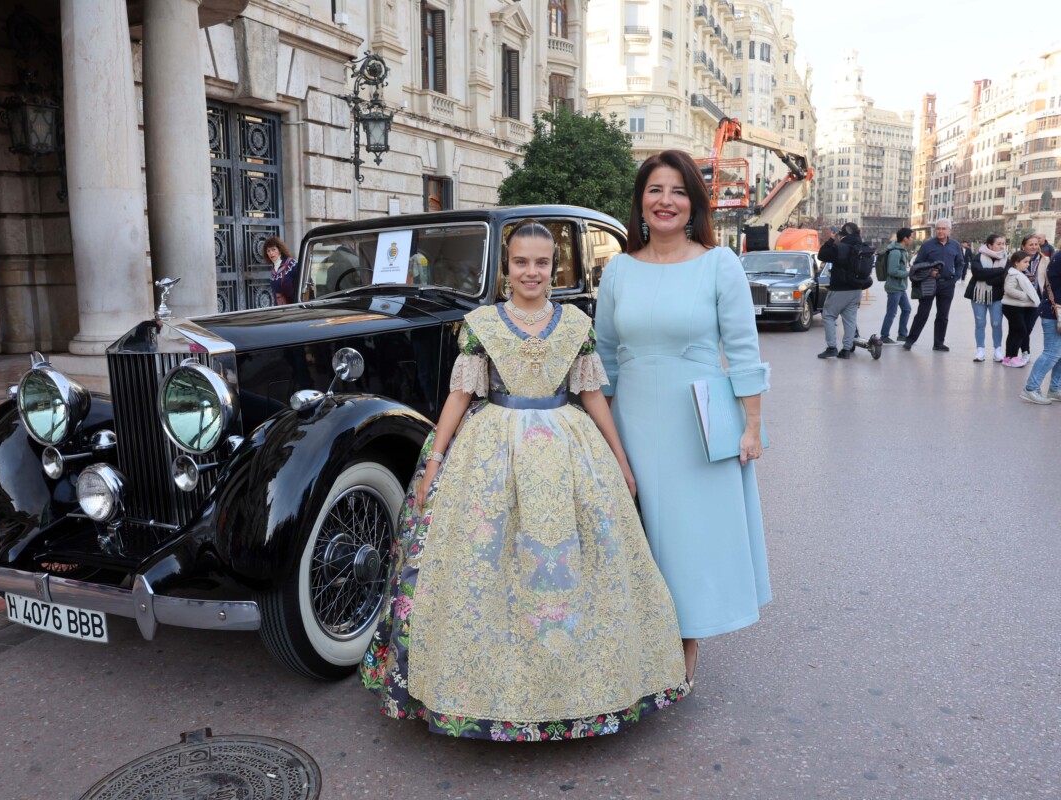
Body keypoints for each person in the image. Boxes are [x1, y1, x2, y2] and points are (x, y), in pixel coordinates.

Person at [361, 220, 689, 740]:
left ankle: (584, 691)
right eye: (521, 263)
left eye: (541, 263)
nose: (531, 272)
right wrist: (435, 462)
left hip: (569, 449)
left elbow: (593, 396)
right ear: (505, 268)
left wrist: (620, 461)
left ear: (553, 268)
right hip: (490, 452)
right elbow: (460, 396)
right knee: (482, 567)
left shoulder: (575, 324)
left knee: (582, 566)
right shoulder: (482, 323)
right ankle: (480, 691)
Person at [594, 150, 771, 686]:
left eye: (677, 191)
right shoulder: (618, 269)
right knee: (636, 534)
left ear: (694, 202)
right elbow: (602, 357)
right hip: (632, 423)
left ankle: (684, 642)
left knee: (687, 538)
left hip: (697, 424)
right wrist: (599, 434)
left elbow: (742, 349)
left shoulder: (720, 264)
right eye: (654, 190)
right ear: (640, 203)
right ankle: (630, 643)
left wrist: (753, 425)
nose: (665, 201)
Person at [903, 218, 965, 352]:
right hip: (929, 283)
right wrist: (929, 271)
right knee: (922, 313)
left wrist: (956, 278)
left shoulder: (955, 245)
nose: (940, 231)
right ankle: (910, 340)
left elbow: (960, 263)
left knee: (943, 315)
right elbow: (918, 264)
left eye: (943, 229)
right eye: (938, 229)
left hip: (947, 284)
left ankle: (938, 343)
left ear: (949, 231)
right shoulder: (927, 245)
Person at [815, 222, 865, 359]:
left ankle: (832, 347)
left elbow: (822, 255)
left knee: (828, 316)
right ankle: (846, 350)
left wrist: (831, 239)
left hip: (840, 288)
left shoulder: (840, 247)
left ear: (842, 234)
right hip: (857, 289)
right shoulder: (862, 246)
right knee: (850, 320)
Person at [1021, 250, 1061, 403]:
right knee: (1052, 353)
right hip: (1054, 313)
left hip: (1054, 312)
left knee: (1059, 354)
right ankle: (1031, 388)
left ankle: (1055, 388)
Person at [965, 233, 1008, 363]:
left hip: (997, 296)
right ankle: (980, 350)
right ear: (990, 245)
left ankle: (997, 351)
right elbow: (978, 273)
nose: (1002, 246)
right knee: (980, 323)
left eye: (1003, 244)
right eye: (998, 244)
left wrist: (989, 278)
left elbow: (1006, 276)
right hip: (978, 295)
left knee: (996, 323)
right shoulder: (978, 257)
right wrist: (999, 271)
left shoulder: (1006, 258)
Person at [1001, 250, 1041, 368]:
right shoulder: (1014, 274)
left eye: (1028, 262)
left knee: (1015, 331)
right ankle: (1012, 357)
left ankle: (1008, 358)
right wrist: (1026, 297)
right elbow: (1009, 289)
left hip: (1016, 307)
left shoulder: (1017, 273)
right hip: (1013, 307)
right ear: (1016, 262)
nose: (1028, 264)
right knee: (1020, 331)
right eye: (1025, 262)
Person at [880, 228, 913, 344]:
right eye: (911, 237)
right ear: (905, 238)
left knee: (907, 309)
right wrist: (908, 273)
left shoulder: (902, 250)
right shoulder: (895, 252)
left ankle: (902, 335)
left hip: (900, 287)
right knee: (892, 312)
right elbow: (892, 271)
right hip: (894, 287)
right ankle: (884, 336)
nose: (912, 239)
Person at [1021, 235, 1045, 361]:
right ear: (1023, 246)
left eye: (1036, 244)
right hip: (1019, 299)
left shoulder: (1044, 259)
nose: (1034, 247)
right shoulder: (1016, 259)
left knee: (1028, 327)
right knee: (1019, 327)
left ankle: (1025, 352)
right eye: (1031, 244)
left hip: (1036, 300)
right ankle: (1019, 352)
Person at [264, 237, 297, 305]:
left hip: (295, 307)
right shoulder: (273, 268)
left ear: (280, 250)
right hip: (280, 307)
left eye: (273, 249)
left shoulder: (292, 264)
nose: (271, 253)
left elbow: (306, 282)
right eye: (268, 251)